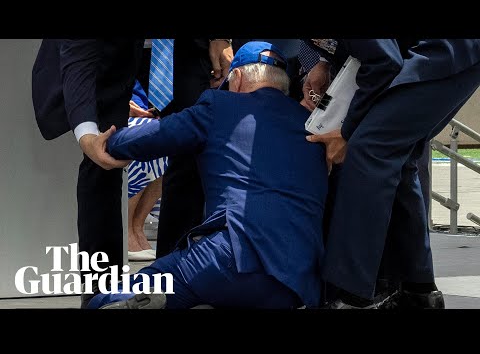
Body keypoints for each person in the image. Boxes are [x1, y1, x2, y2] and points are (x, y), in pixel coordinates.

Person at [86, 41, 329, 309]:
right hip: (298, 281)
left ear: (236, 80)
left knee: (108, 302)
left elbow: (155, 136)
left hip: (229, 257)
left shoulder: (220, 104)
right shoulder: (313, 128)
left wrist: (104, 142)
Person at [300, 39, 480, 309]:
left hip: (446, 48)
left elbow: (385, 61)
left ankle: (350, 296)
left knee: (369, 149)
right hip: (437, 49)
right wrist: (325, 64)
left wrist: (348, 130)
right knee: (398, 152)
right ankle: (418, 289)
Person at [31, 39, 145, 308]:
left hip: (130, 65)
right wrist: (88, 137)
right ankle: (101, 292)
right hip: (90, 67)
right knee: (101, 164)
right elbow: (79, 62)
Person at [154, 39, 235, 258]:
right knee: (186, 158)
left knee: (193, 155)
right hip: (141, 55)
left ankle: (180, 264)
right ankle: (174, 265)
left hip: (194, 53)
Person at [127, 80, 166, 261]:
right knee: (142, 136)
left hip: (140, 109)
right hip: (108, 112)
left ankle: (137, 225)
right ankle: (126, 229)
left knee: (170, 143)